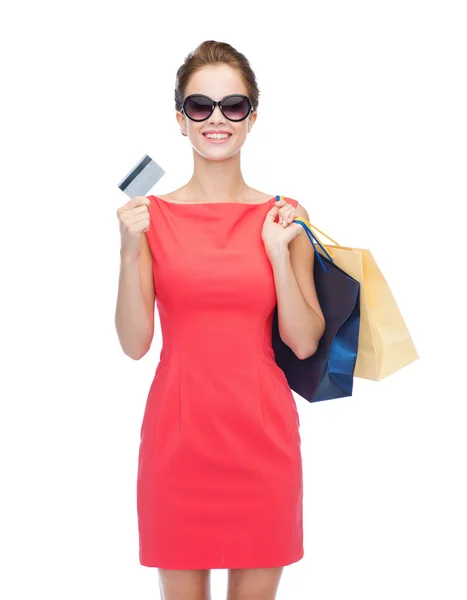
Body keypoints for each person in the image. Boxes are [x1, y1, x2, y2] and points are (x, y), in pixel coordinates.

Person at [115, 40, 325, 600]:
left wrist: (280, 251)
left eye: (233, 105)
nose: (216, 119)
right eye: (199, 106)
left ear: (252, 118)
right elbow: (135, 343)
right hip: (178, 441)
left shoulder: (284, 216)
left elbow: (303, 342)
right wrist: (129, 253)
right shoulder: (149, 219)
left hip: (261, 442)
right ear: (180, 120)